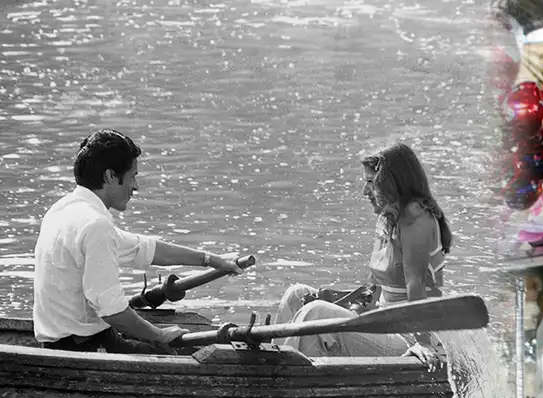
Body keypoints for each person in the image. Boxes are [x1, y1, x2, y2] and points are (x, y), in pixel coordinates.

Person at [33, 129, 244, 354]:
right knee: (176, 354)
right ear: (110, 176)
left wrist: (212, 260)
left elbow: (144, 248)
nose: (135, 186)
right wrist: (159, 335)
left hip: (63, 341)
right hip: (83, 347)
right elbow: (112, 311)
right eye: (132, 176)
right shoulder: (95, 224)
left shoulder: (63, 209)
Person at [273, 142, 451, 365]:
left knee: (315, 313)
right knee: (296, 295)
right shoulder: (387, 218)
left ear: (392, 183)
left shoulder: (417, 220)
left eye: (371, 182)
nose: (365, 191)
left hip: (409, 336)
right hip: (380, 322)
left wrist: (423, 341)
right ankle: (272, 361)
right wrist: (344, 301)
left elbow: (416, 283)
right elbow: (374, 291)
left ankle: (283, 371)